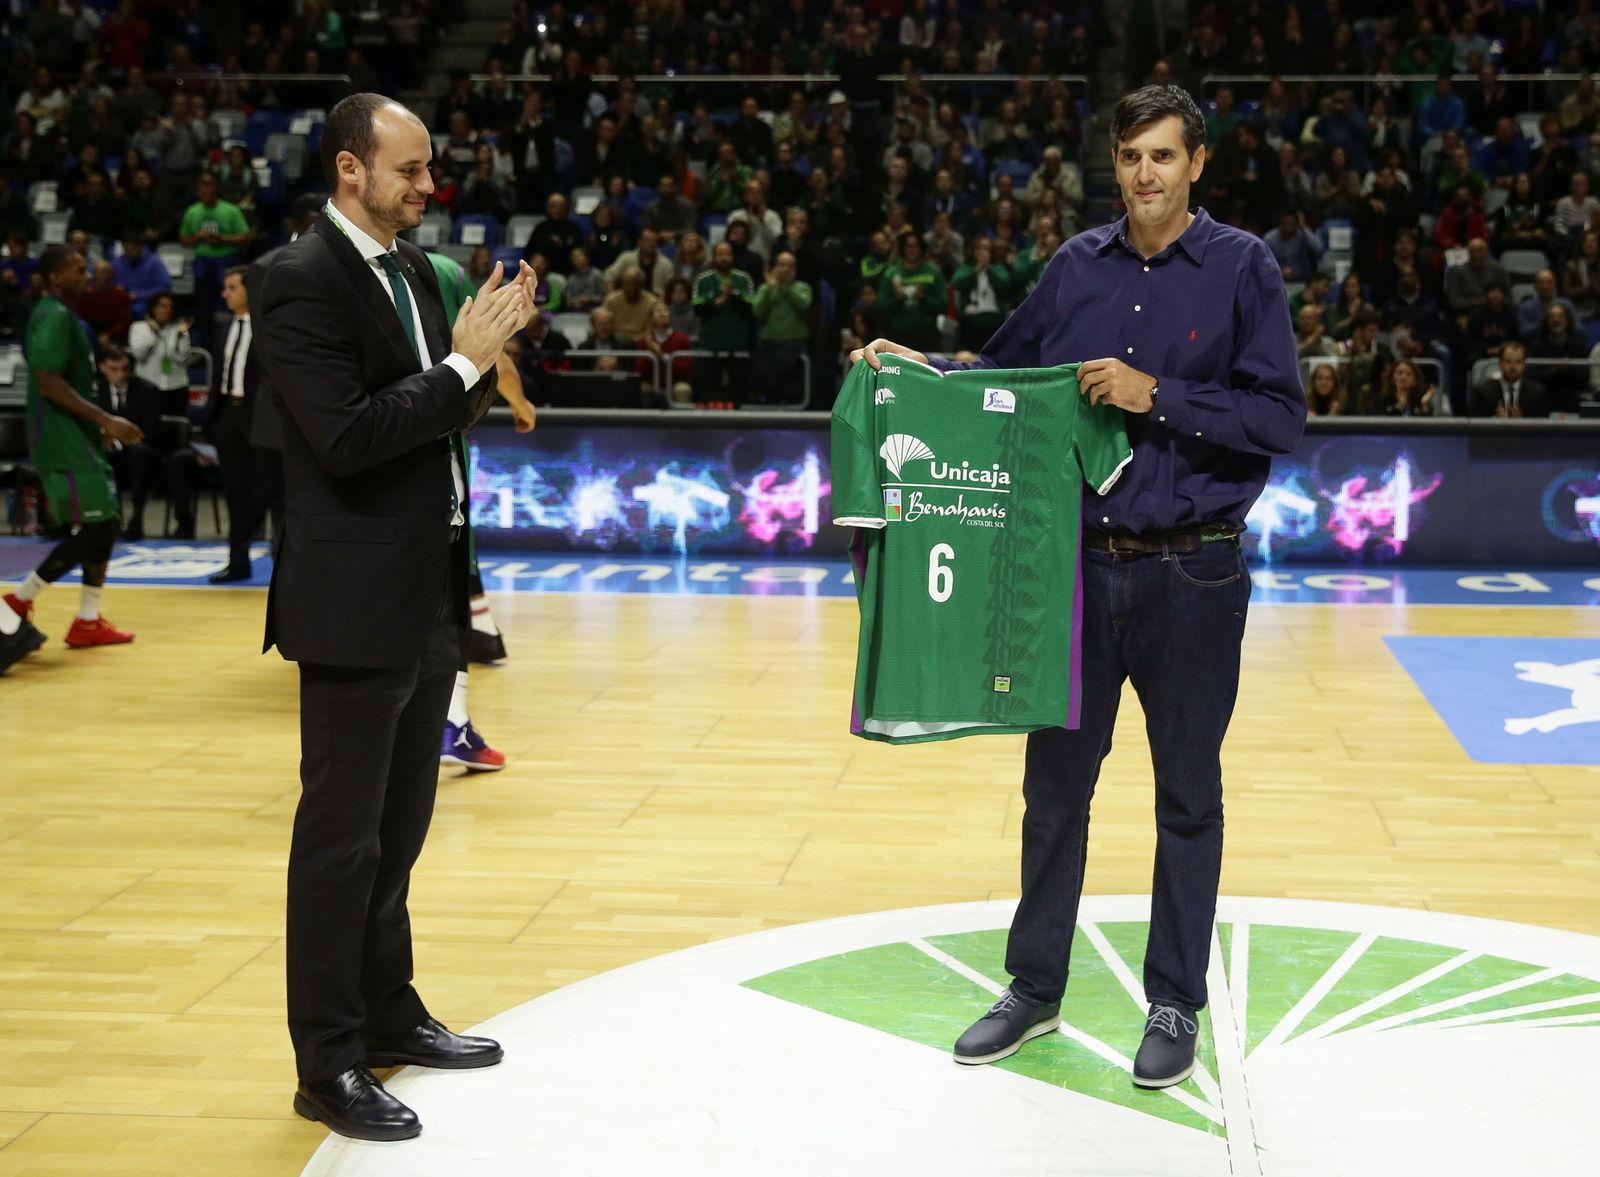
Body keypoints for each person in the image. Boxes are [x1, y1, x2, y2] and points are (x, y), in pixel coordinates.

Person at [852, 84, 1305, 1088]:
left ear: (1197, 164)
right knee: (1053, 792)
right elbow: (995, 380)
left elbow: (1279, 419)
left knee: (1188, 797)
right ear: (1114, 162)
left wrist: (1160, 397)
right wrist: (913, 369)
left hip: (1195, 568)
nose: (1143, 173)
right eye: (1129, 155)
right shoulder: (1073, 267)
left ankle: (1174, 1003)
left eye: (1161, 156)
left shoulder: (1243, 268)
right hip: (1076, 571)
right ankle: (1033, 987)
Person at [255, 93, 532, 1142]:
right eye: (409, 170)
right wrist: (463, 363)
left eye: (428, 170)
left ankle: (387, 1008)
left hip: (425, 587)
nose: (427, 187)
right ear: (348, 170)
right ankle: (325, 1061)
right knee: (339, 842)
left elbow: (442, 412)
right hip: (351, 598)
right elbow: (348, 437)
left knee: (400, 828)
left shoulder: (414, 270)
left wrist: (479, 356)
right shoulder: (297, 282)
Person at [2, 247, 142, 648]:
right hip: (60, 439)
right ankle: (20, 597)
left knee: (107, 522)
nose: (89, 275)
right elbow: (47, 379)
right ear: (57, 278)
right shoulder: (53, 316)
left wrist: (93, 425)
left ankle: (87, 619)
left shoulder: (66, 317)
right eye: (79, 269)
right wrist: (104, 418)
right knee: (101, 524)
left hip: (75, 436)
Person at [96, 343, 196, 540]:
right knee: (95, 455)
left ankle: (136, 520)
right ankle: (101, 521)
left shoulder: (146, 390)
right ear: (103, 368)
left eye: (125, 368)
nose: (121, 374)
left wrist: (115, 439)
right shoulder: (95, 392)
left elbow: (147, 432)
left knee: (139, 453)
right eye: (114, 369)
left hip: (146, 452)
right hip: (108, 452)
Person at [204, 266, 265, 583]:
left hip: (259, 415)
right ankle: (237, 560)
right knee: (234, 491)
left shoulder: (269, 326)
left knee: (268, 489)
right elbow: (217, 376)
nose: (225, 294)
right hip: (228, 412)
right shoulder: (223, 326)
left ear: (249, 289)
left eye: (232, 288)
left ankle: (283, 562)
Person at [1469, 339, 1549, 418]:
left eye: (1518, 362)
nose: (1513, 367)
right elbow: (1475, 423)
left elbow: (1543, 426)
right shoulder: (1483, 391)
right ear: (1500, 363)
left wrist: (1523, 423)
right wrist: (1495, 420)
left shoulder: (1537, 393)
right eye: (1508, 361)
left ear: (1524, 365)